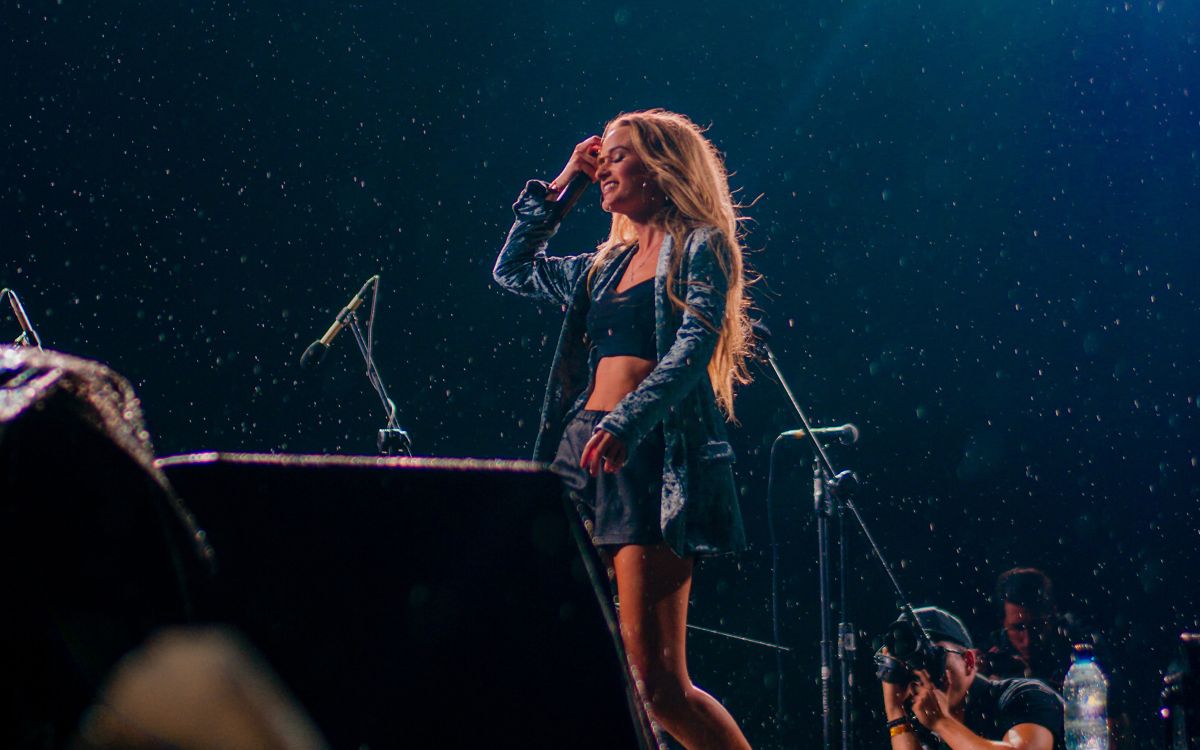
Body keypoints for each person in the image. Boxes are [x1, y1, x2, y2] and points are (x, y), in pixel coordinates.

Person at [493, 109, 753, 750]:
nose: (604, 166)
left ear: (661, 167)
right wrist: (565, 186)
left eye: (618, 155)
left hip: (649, 455)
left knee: (658, 685)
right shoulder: (604, 264)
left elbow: (694, 345)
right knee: (550, 647)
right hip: (577, 451)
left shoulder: (700, 245)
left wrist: (630, 421)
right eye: (601, 156)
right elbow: (513, 269)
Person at [879, 606, 1064, 750]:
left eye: (934, 658)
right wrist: (896, 712)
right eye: (911, 667)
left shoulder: (1025, 696)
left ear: (968, 661)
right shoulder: (925, 725)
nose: (923, 674)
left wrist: (943, 723)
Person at [982, 567, 1079, 691]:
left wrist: (1022, 681)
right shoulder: (991, 652)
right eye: (1018, 628)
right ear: (1003, 622)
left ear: (1052, 615)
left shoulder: (1079, 645)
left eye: (1036, 627)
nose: (1028, 640)